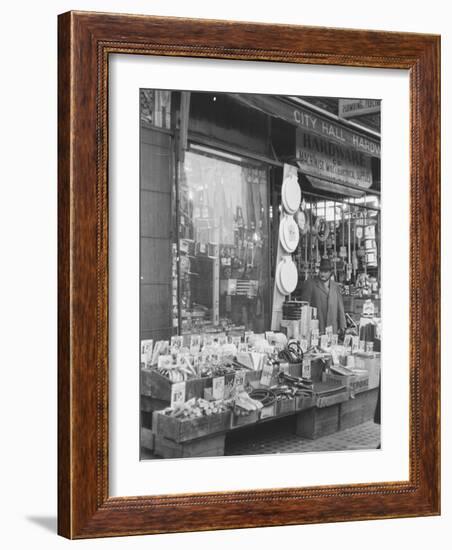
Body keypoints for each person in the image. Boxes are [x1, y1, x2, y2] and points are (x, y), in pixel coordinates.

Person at [300, 257, 346, 334]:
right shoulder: (311, 284)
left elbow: (340, 308)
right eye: (321, 271)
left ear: (330, 272)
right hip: (317, 327)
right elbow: (305, 307)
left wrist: (342, 326)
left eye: (325, 271)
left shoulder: (335, 287)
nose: (322, 274)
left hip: (332, 329)